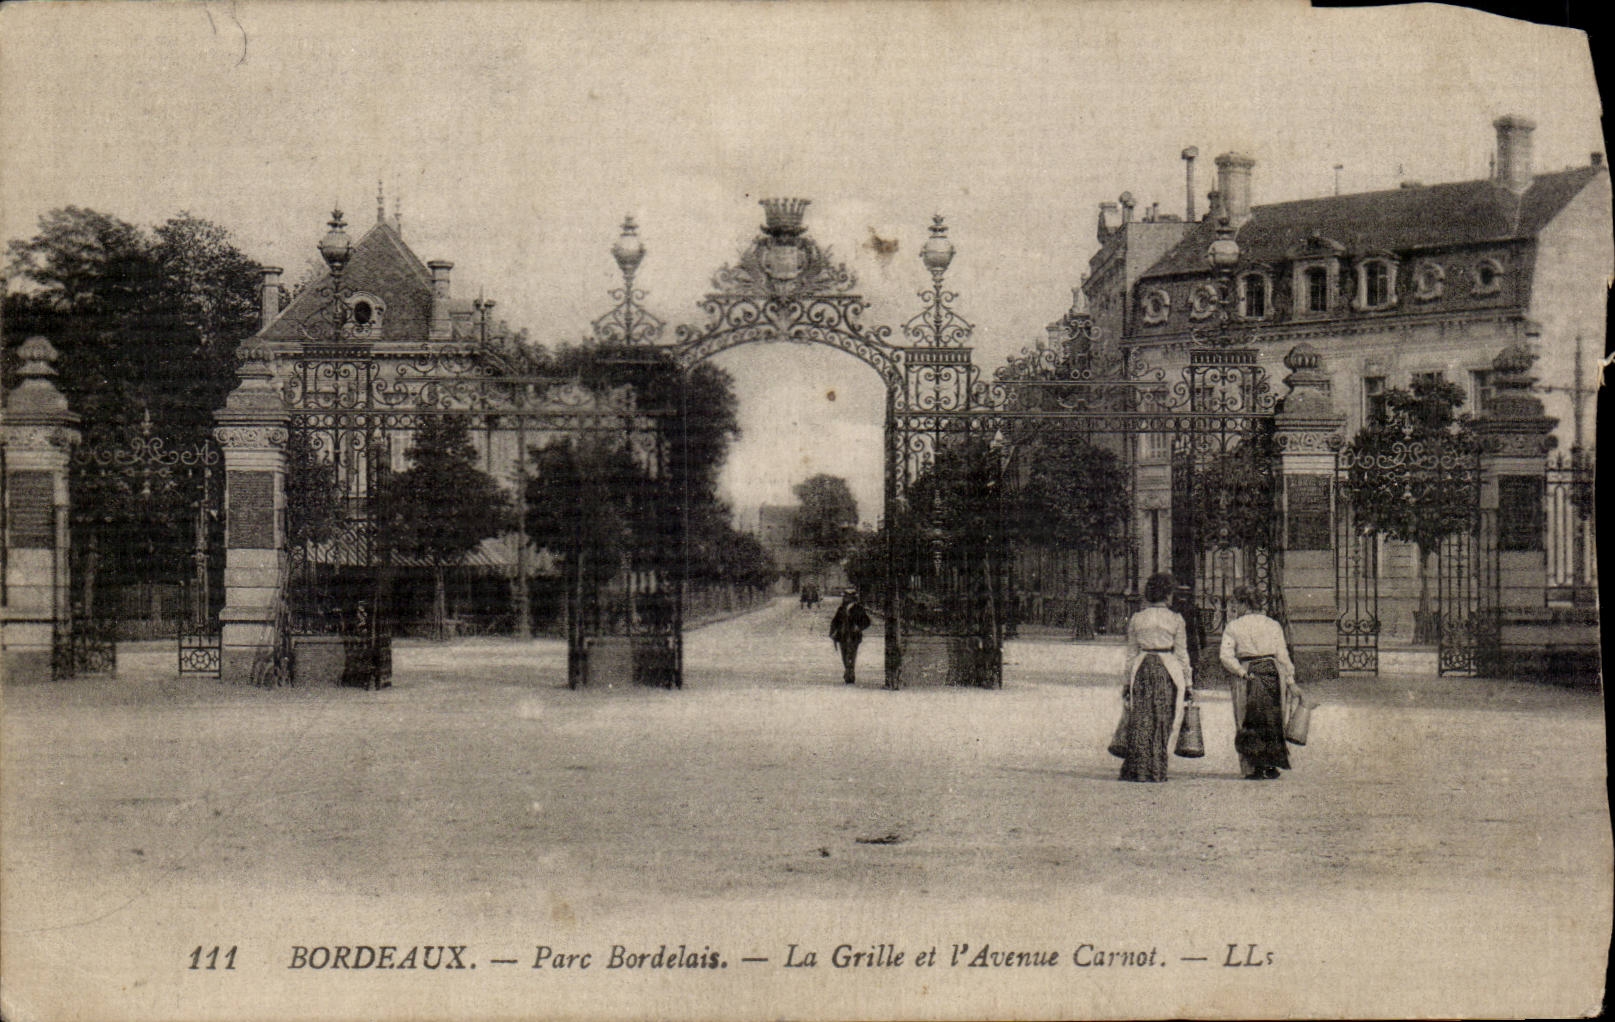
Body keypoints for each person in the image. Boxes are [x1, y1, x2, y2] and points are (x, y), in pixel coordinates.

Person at [1118, 572, 1193, 782]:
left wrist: (1126, 682)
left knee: (1141, 718)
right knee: (1162, 718)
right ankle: (1156, 768)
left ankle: (1137, 768)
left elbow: (1131, 654)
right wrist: (1188, 682)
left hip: (1142, 667)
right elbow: (1181, 654)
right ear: (1168, 594)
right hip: (1166, 669)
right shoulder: (1176, 619)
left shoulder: (1137, 618)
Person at [1218, 585, 1297, 780]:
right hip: (1272, 672)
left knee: (1246, 718)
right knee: (1273, 718)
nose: (1235, 608)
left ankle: (1252, 767)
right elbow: (1283, 655)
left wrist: (1239, 671)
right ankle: (1271, 764)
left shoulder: (1234, 626)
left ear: (1244, 603)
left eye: (1236, 603)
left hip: (1247, 673)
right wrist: (1290, 679)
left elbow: (1226, 656)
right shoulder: (1273, 625)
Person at [829, 588, 872, 685]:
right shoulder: (841, 609)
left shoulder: (858, 609)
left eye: (846, 596)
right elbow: (835, 622)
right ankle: (848, 670)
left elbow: (867, 621)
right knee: (844, 655)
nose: (844, 598)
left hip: (853, 636)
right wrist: (832, 632)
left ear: (852, 598)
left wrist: (859, 627)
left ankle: (850, 674)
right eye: (844, 596)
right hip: (842, 636)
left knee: (852, 654)